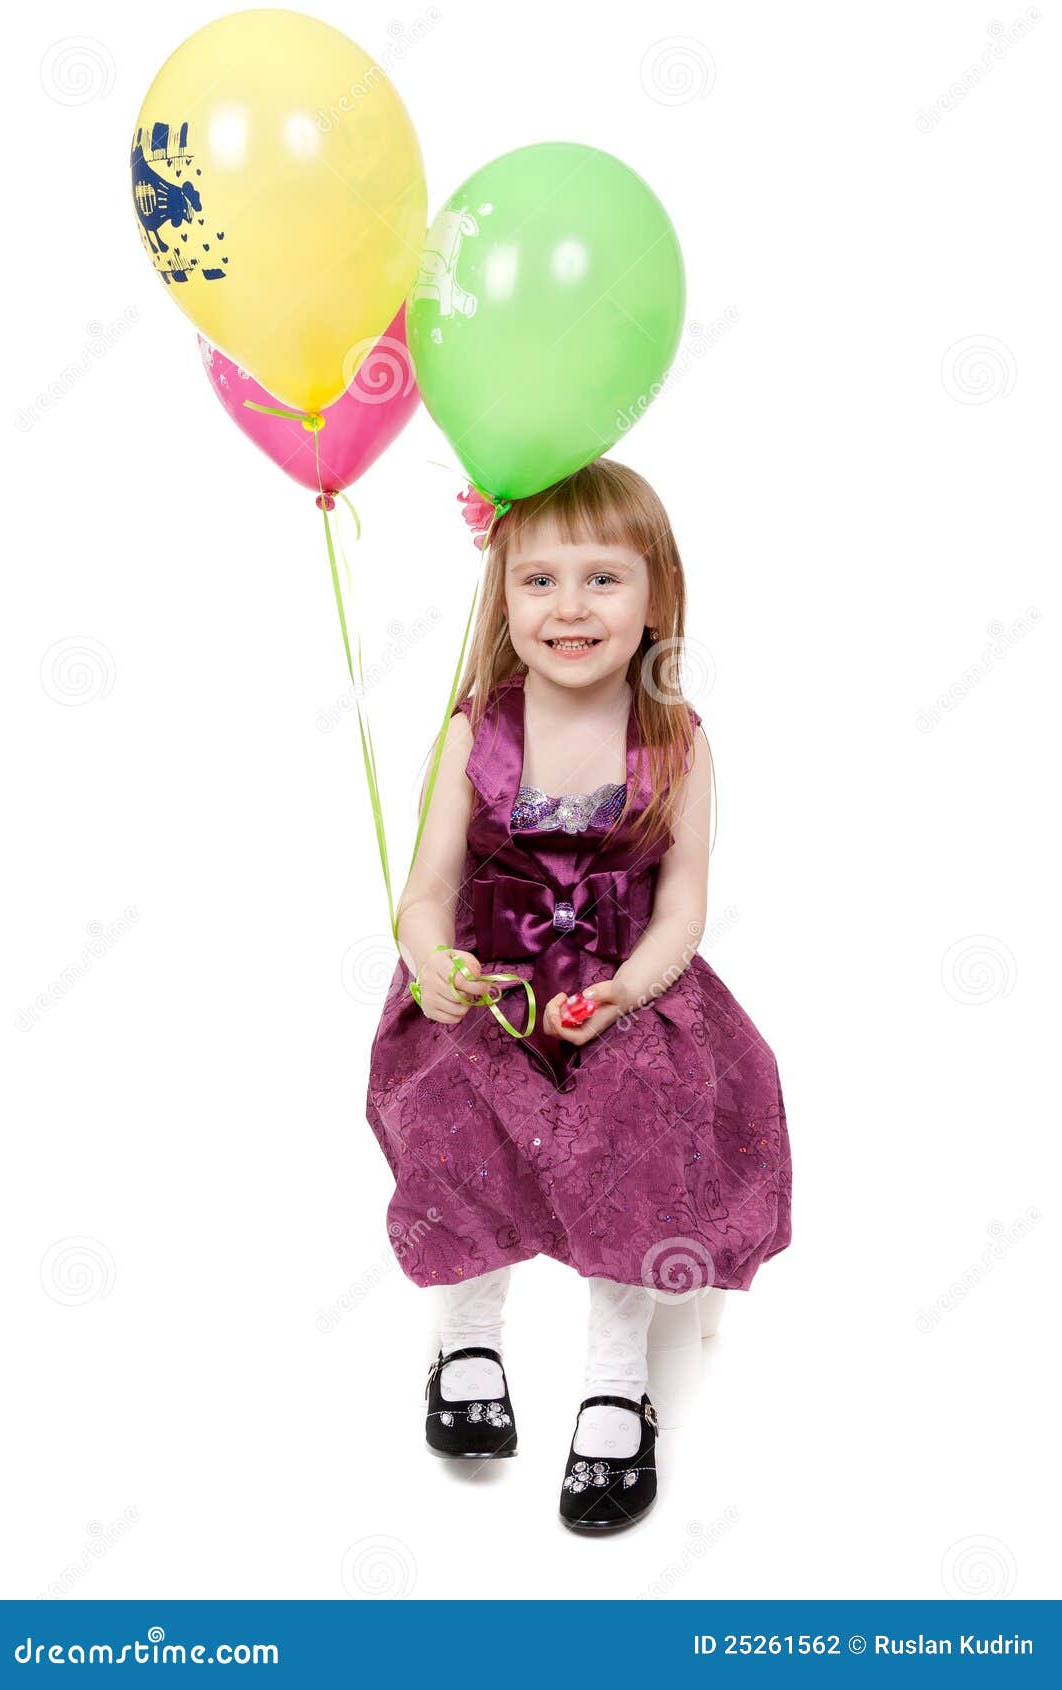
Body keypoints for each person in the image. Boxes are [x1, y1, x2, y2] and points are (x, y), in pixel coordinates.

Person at [365, 457, 791, 1531]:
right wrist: (431, 960)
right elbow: (426, 891)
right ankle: (468, 1338)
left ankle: (615, 1376)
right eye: (537, 580)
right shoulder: (473, 727)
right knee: (456, 1129)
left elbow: (683, 905)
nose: (567, 606)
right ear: (501, 598)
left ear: (655, 598)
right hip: (489, 996)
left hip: (619, 994)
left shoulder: (676, 742)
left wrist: (626, 991)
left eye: (602, 580)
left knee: (635, 1131)